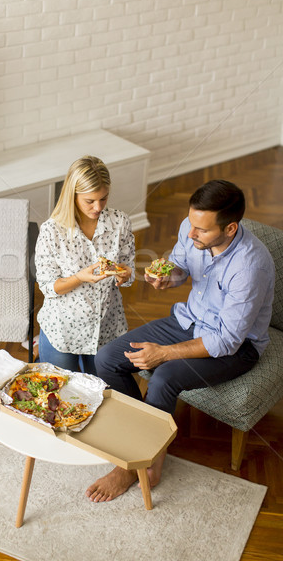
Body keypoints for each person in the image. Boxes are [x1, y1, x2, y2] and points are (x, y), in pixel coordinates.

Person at [86, 179, 275, 503]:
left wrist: (164, 354)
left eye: (201, 230)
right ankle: (141, 437)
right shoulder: (193, 226)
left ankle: (140, 459)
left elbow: (227, 340)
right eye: (192, 223)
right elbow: (180, 267)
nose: (191, 233)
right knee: (107, 358)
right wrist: (167, 277)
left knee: (164, 378)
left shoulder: (250, 266)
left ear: (230, 229)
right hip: (188, 321)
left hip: (237, 347)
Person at [35, 155, 135, 375]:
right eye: (90, 201)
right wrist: (79, 277)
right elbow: (48, 288)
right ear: (73, 195)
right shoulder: (52, 231)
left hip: (106, 329)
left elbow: (129, 269)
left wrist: (125, 274)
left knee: (102, 394)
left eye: (104, 198)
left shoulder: (120, 222)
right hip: (62, 331)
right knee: (61, 393)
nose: (98, 207)